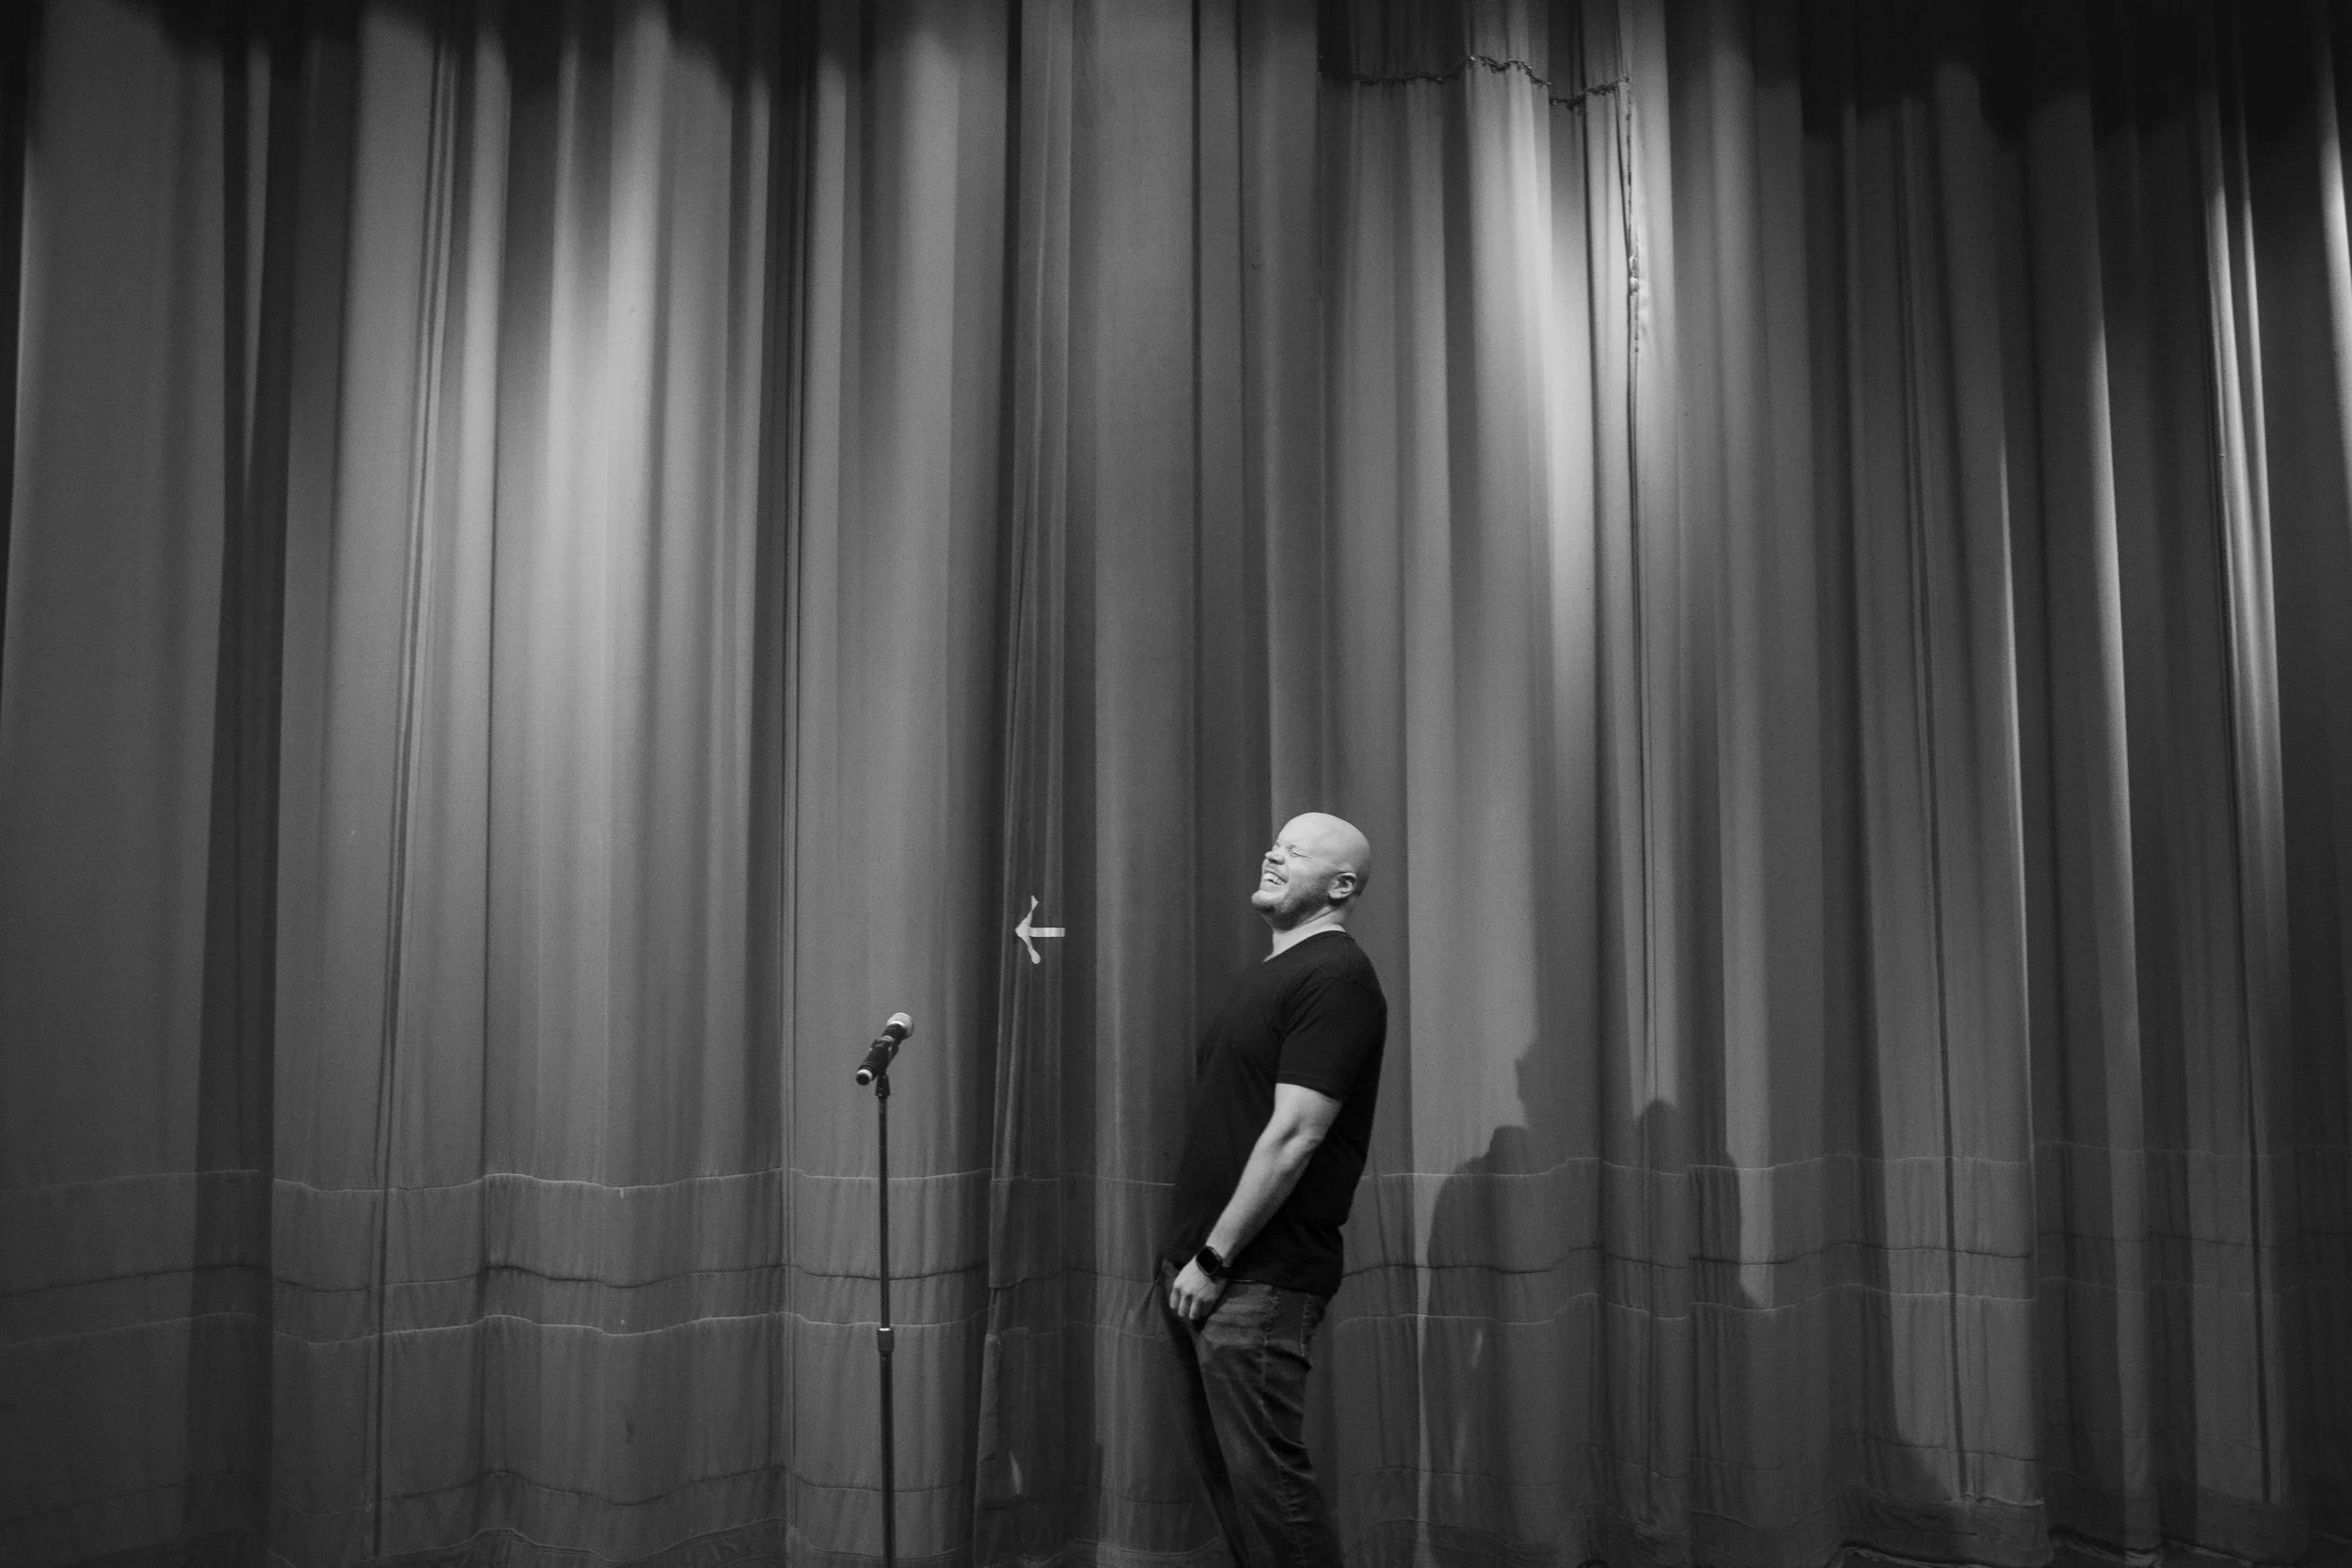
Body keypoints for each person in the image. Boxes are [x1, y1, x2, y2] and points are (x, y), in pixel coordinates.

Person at [1158, 811, 1387, 1567]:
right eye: (1274, 843)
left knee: (1272, 1495)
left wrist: (1216, 1257)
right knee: (1237, 1491)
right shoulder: (1277, 973)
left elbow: (1297, 1135)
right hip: (1206, 1274)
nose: (1272, 852)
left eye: (1295, 849)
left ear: (1341, 884)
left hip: (1252, 1277)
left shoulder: (1336, 977)